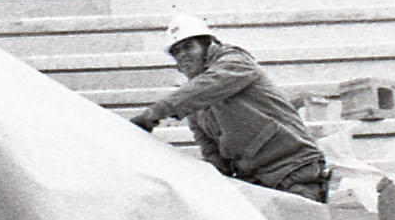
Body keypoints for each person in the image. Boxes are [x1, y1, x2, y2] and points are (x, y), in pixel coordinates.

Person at [128, 11, 331, 203]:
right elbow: (211, 152)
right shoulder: (194, 101)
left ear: (208, 46)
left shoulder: (235, 62)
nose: (183, 56)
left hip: (293, 170)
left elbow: (209, 86)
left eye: (189, 47)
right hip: (256, 182)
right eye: (177, 52)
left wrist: (154, 113)